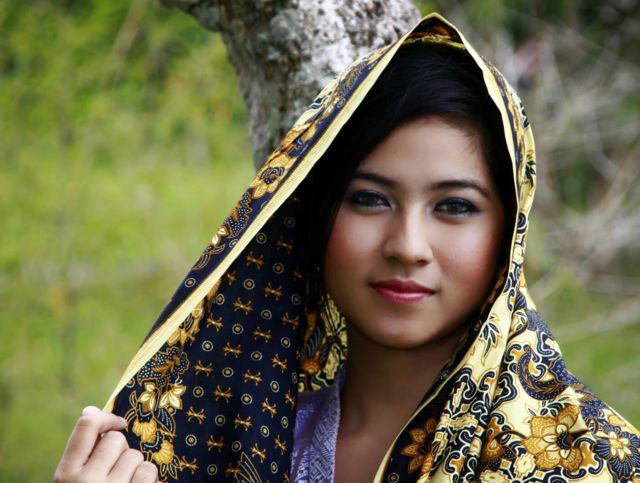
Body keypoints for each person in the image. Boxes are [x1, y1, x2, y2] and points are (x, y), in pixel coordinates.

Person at [55, 13, 640, 483]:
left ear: (509, 233)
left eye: (455, 207)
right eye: (369, 199)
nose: (407, 246)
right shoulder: (210, 450)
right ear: (313, 217)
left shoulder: (593, 462)